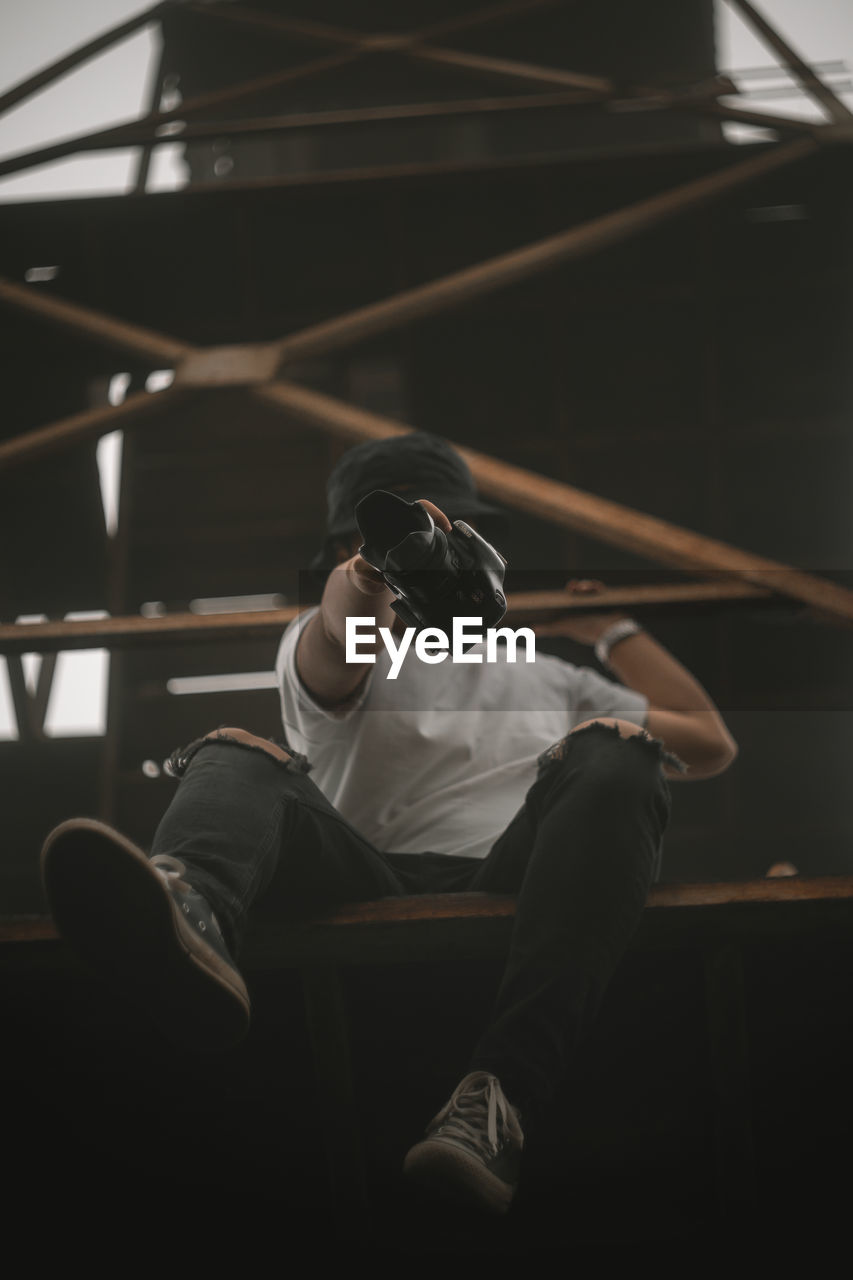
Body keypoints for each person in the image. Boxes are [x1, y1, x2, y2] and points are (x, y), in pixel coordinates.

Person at [41, 431, 737, 1218]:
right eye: (406, 529)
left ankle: (497, 1099)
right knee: (236, 755)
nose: (429, 545)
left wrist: (609, 627)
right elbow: (341, 634)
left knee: (623, 754)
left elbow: (708, 745)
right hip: (363, 867)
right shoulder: (341, 639)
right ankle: (188, 914)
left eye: (447, 532)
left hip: (520, 871)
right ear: (346, 544)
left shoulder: (546, 673)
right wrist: (375, 568)